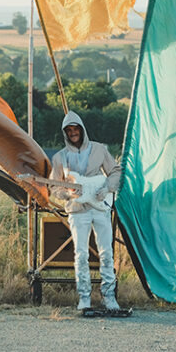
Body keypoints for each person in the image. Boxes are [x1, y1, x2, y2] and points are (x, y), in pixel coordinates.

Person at [50, 111, 121, 311]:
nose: (73, 133)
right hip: (77, 210)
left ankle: (109, 297)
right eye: (69, 130)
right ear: (65, 133)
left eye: (75, 129)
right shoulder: (59, 158)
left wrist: (107, 188)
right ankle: (84, 298)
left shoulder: (99, 149)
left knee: (106, 252)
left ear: (82, 129)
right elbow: (54, 186)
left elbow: (115, 170)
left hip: (100, 207)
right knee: (81, 254)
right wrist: (66, 194)